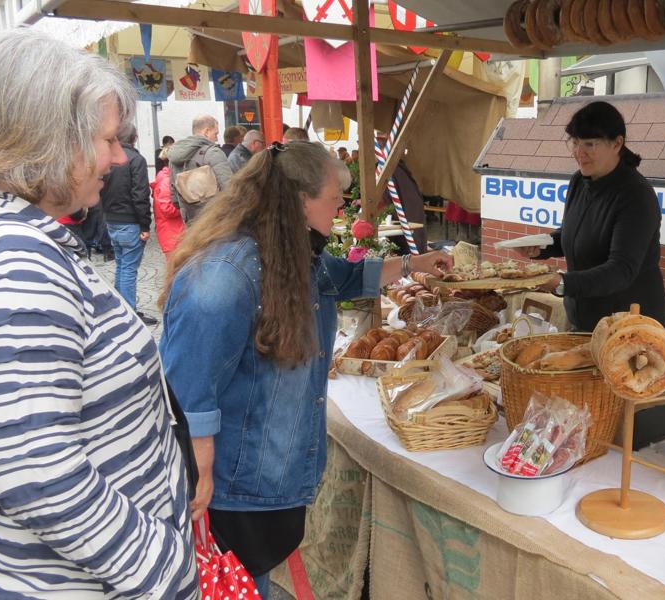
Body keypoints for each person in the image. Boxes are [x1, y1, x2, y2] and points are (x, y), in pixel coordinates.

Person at [158, 141, 452, 597]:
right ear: (299, 201)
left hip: (268, 479)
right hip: (235, 489)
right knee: (236, 586)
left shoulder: (294, 253)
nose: (340, 210)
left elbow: (348, 277)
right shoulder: (226, 274)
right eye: (334, 200)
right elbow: (187, 386)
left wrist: (414, 264)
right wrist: (202, 472)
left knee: (250, 583)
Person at [0, 29, 196, 597]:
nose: (119, 157)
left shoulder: (23, 243)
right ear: (49, 139)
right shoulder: (15, 260)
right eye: (107, 140)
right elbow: (37, 474)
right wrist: (165, 569)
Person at [513, 100, 665, 331]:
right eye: (575, 142)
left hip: (629, 326)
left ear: (617, 143)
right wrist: (542, 247)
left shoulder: (636, 195)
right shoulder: (579, 181)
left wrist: (563, 282)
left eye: (590, 144)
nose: (579, 153)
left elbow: (621, 270)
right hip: (587, 320)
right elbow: (576, 235)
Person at [101, 121, 157, 324]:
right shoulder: (135, 159)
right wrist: (145, 225)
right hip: (129, 221)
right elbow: (140, 194)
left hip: (112, 219)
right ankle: (129, 312)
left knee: (121, 265)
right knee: (128, 268)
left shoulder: (108, 158)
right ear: (134, 138)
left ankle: (120, 308)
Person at [169, 114, 234, 223]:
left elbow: (174, 198)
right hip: (216, 220)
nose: (217, 138)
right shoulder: (213, 153)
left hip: (191, 221)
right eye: (216, 133)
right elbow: (230, 189)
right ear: (206, 131)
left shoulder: (174, 158)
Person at [152, 146, 185, 262]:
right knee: (177, 269)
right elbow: (167, 209)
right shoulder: (166, 181)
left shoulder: (168, 178)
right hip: (172, 234)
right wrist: (186, 207)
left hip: (174, 233)